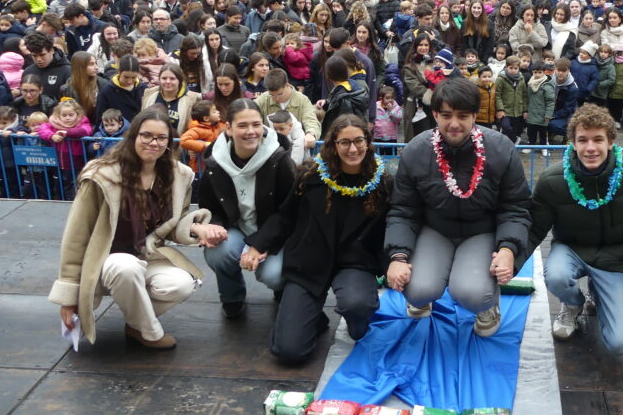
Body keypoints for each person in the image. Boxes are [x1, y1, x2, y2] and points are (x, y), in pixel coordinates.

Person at [48, 108, 225, 349]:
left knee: (181, 284)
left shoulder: (179, 176)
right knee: (125, 266)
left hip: (147, 256)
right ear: (133, 136)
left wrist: (196, 228)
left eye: (161, 138)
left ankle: (136, 325)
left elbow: (172, 225)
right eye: (146, 135)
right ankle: (150, 333)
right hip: (104, 262)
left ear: (168, 142)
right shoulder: (101, 175)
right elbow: (76, 236)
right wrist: (69, 297)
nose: (154, 143)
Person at [526, 105, 623, 351]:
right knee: (556, 276)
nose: (590, 147)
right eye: (583, 140)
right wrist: (508, 255)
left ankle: (597, 291)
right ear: (573, 143)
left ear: (611, 142)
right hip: (571, 249)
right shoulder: (552, 179)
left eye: (598, 139)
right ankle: (573, 303)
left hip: (614, 258)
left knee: (620, 343)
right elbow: (534, 228)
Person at [385, 77, 531, 337]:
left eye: (463, 116)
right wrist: (398, 257)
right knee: (417, 289)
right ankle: (422, 296)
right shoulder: (416, 151)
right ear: (434, 115)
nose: (454, 124)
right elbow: (403, 210)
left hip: (481, 231)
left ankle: (488, 305)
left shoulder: (501, 148)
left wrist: (508, 248)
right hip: (436, 229)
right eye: (446, 115)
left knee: (473, 293)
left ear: (475, 115)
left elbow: (515, 207)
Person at [245, 115, 393, 364]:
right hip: (309, 261)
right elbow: (285, 217)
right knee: (289, 352)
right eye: (344, 142)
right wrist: (258, 245)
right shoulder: (311, 176)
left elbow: (391, 228)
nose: (353, 149)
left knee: (357, 304)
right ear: (333, 144)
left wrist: (394, 262)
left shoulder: (383, 182)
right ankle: (312, 317)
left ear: (368, 142)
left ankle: (358, 321)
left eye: (358, 141)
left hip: (355, 263)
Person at [199, 99, 293, 318]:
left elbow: (288, 211)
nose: (251, 131)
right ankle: (232, 296)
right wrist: (214, 227)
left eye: (256, 124)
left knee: (274, 274)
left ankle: (282, 290)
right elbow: (210, 206)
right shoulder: (215, 163)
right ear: (229, 129)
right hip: (237, 227)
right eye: (242, 125)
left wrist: (259, 244)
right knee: (218, 253)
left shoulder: (278, 159)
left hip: (273, 230)